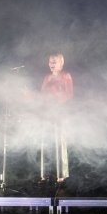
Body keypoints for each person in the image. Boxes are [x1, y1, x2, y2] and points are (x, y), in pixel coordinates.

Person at [39, 52, 74, 183]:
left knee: (60, 142)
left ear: (61, 63)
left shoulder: (66, 76)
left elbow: (69, 94)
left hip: (60, 113)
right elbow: (42, 95)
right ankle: (44, 175)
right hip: (47, 113)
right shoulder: (47, 77)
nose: (51, 64)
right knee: (45, 143)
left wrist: (56, 103)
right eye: (50, 62)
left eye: (54, 62)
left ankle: (62, 175)